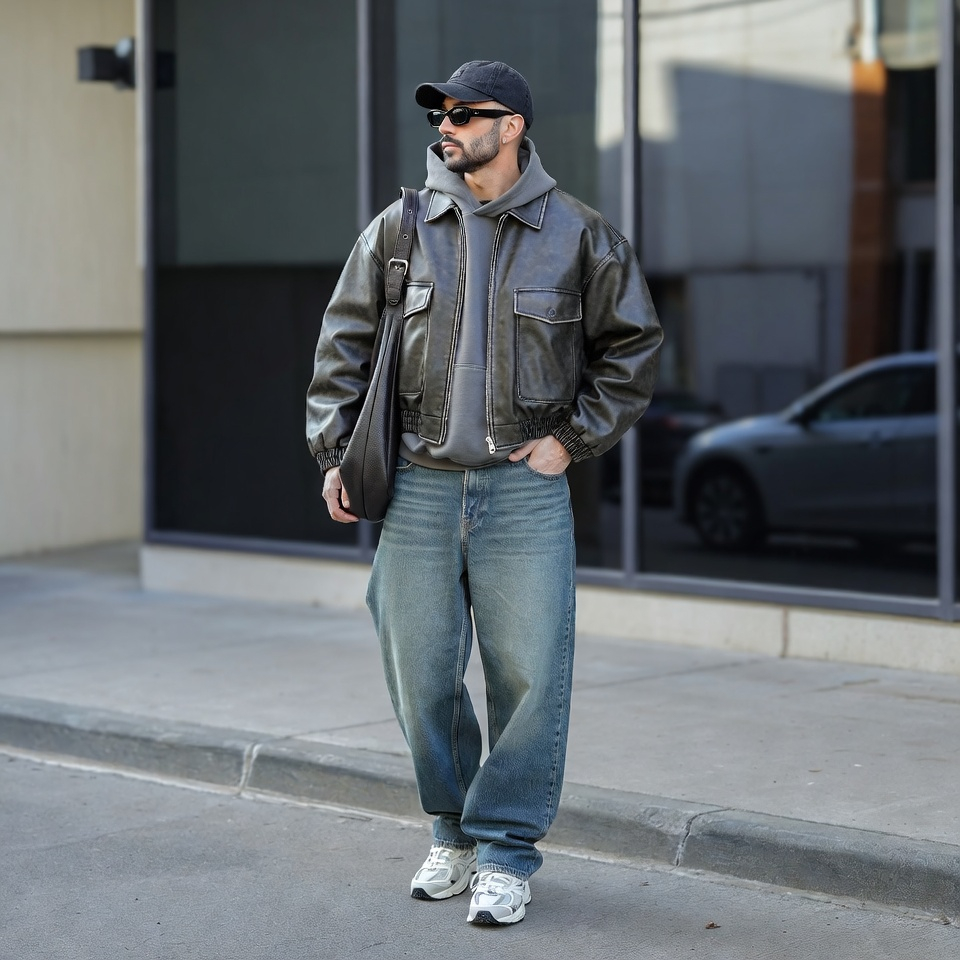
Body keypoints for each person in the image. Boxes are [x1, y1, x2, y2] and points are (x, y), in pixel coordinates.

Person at [306, 60, 662, 925]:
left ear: (513, 128)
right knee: (420, 674)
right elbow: (341, 346)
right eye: (442, 112)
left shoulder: (581, 236)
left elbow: (635, 352)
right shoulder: (398, 229)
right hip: (421, 489)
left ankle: (505, 850)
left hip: (522, 493)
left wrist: (571, 441)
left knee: (529, 677)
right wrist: (333, 451)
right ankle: (452, 831)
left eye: (469, 113)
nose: (448, 124)